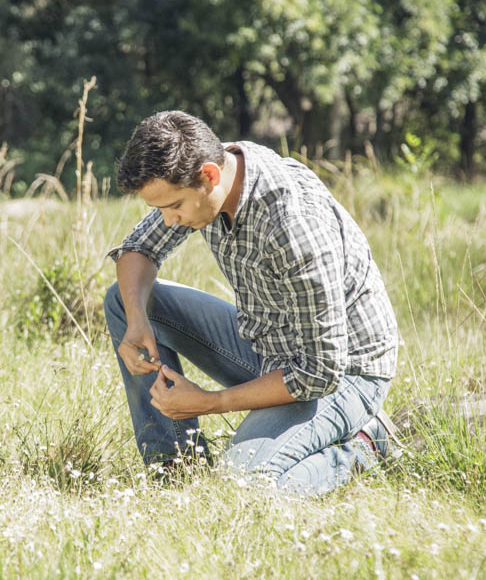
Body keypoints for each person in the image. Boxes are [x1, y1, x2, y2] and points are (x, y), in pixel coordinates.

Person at [103, 110, 401, 496]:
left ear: (209, 176)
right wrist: (137, 321)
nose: (169, 221)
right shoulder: (211, 173)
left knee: (241, 484)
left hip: (343, 374)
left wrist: (209, 402)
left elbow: (319, 373)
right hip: (268, 349)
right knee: (123, 300)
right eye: (159, 209)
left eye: (174, 206)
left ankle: (365, 445)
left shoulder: (294, 225)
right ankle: (174, 470)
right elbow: (138, 249)